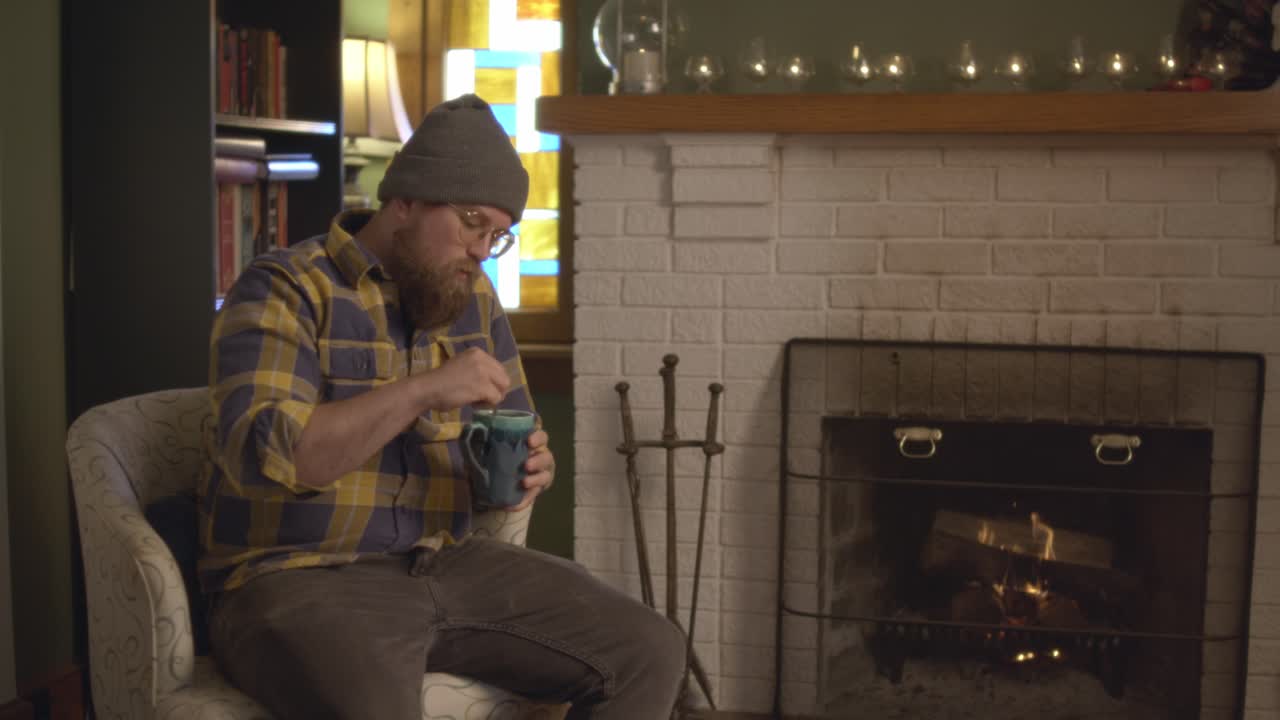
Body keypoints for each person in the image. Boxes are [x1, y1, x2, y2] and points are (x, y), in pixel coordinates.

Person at [198, 94, 686, 719]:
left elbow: (513, 435)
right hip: (294, 577)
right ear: (404, 201)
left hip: (445, 564)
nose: (484, 250)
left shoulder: (472, 300)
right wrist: (425, 388)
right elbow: (281, 456)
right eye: (472, 223)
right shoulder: (287, 287)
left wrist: (534, 468)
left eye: (498, 236)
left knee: (650, 648)